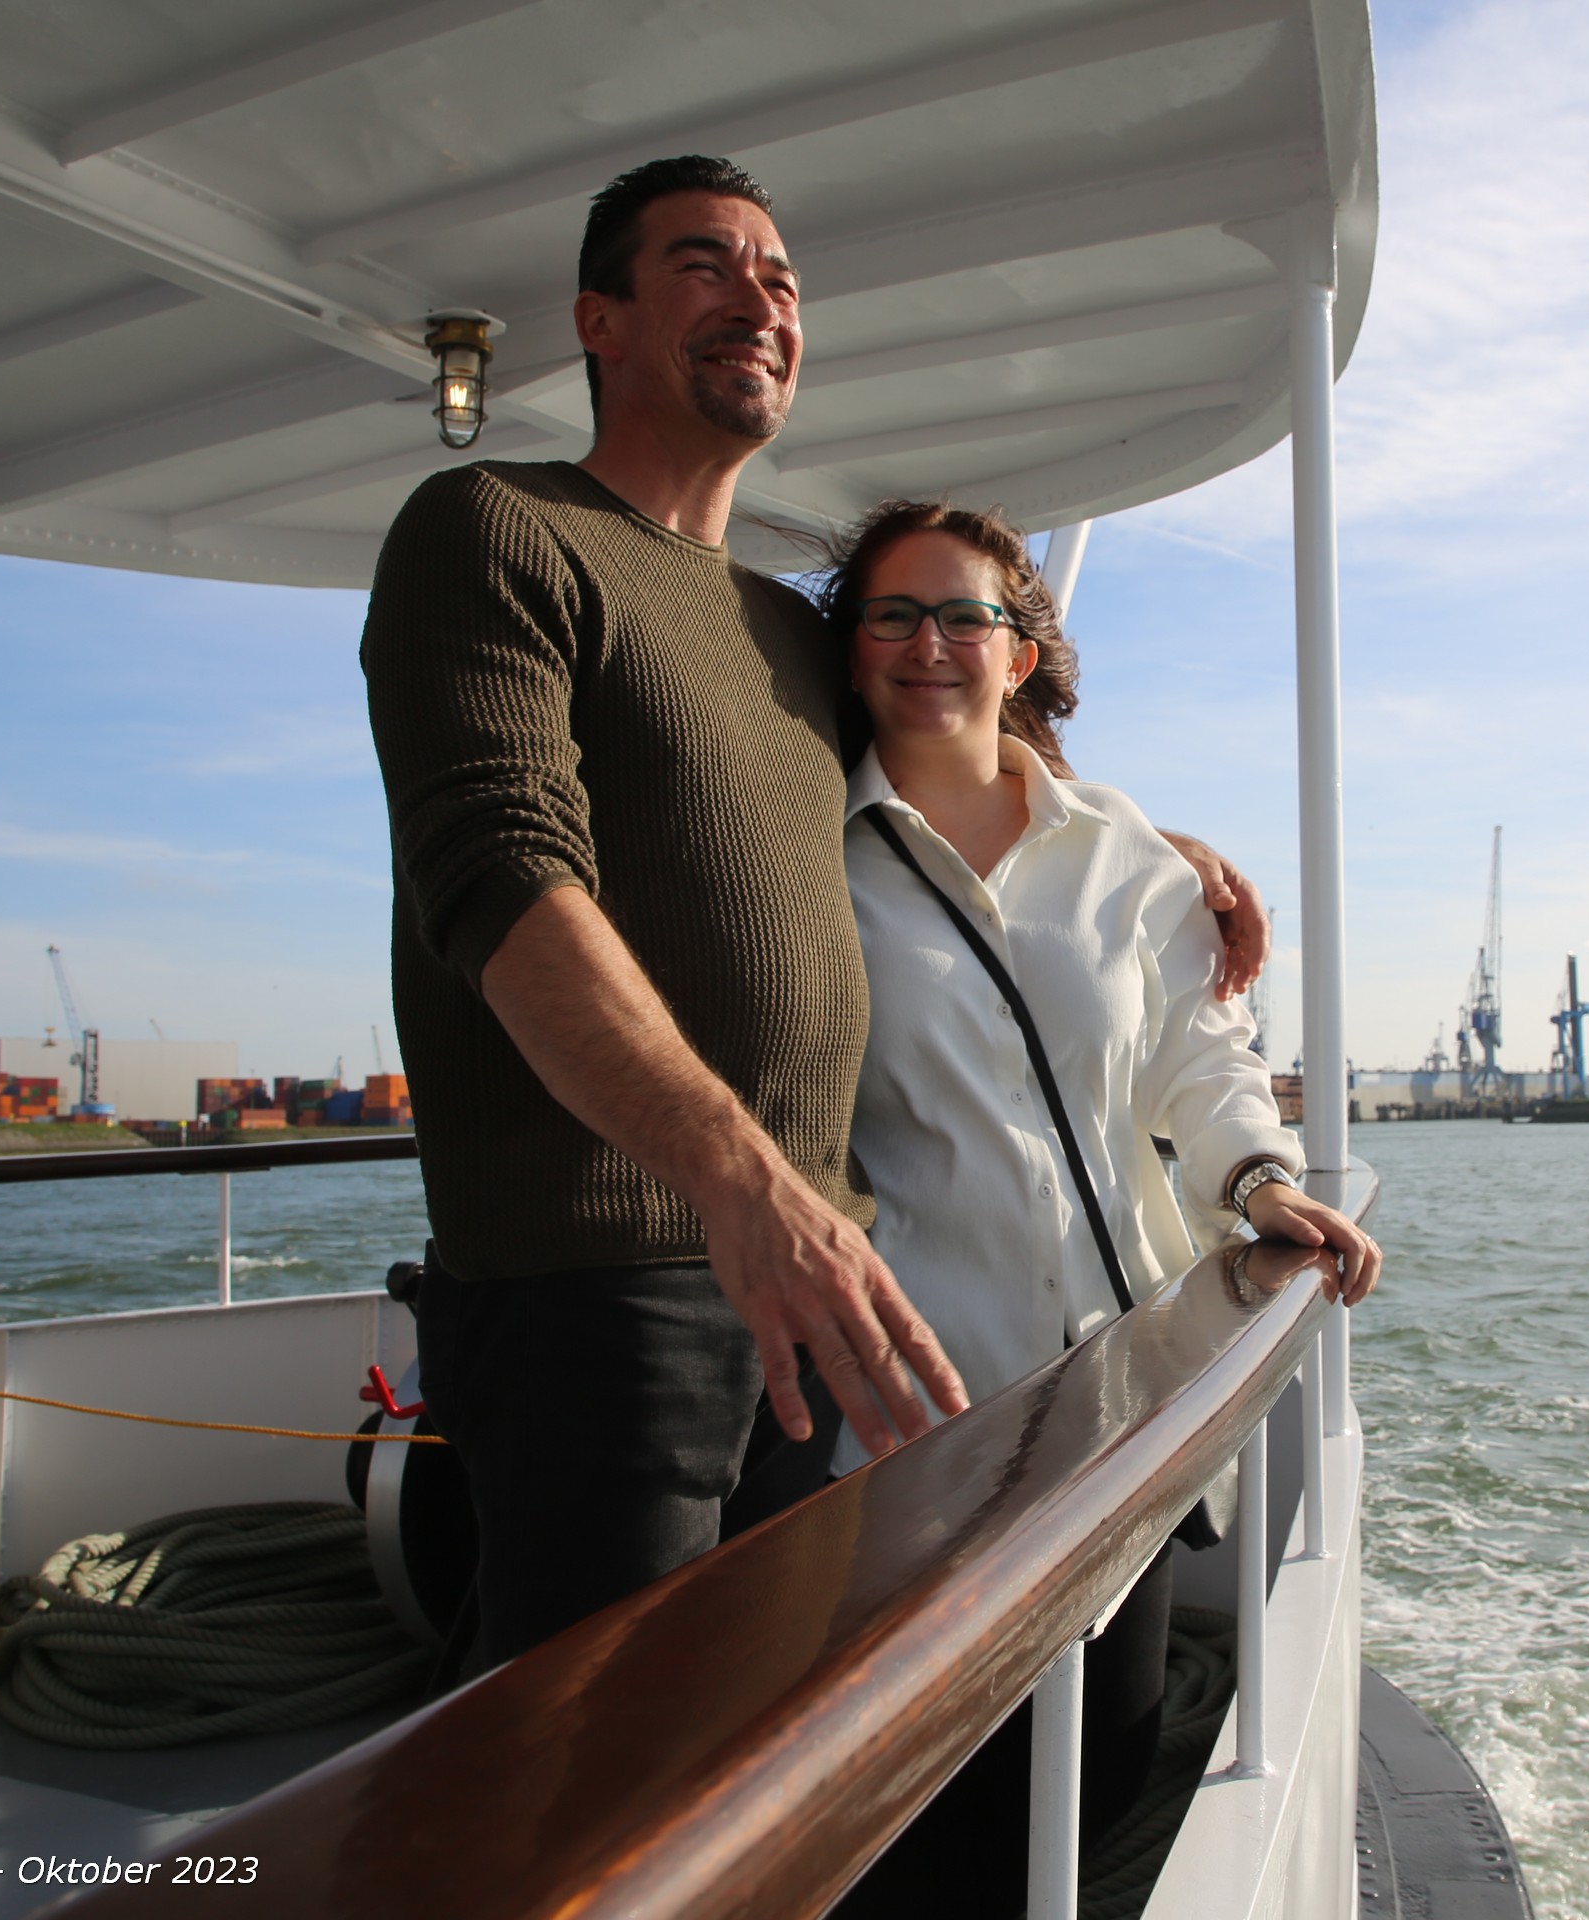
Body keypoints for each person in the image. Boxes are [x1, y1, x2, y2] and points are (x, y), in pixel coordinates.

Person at [359, 155, 1271, 1667]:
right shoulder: (497, 528)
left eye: (780, 278)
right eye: (704, 265)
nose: (760, 300)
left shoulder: (782, 628)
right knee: (603, 1744)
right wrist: (743, 1185)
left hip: (819, 1280)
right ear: (597, 320)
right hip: (610, 1283)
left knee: (778, 1715)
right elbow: (498, 872)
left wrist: (1146, 842)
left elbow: (945, 769)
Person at [820, 504, 1378, 1911]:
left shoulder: (1124, 851)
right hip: (920, 1420)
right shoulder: (812, 857)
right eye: (895, 615)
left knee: (1100, 1784)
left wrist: (1258, 1181)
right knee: (929, 1829)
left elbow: (1203, 1055)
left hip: (1122, 1414)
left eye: (967, 617)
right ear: (852, 647)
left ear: (1020, 653)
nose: (931, 645)